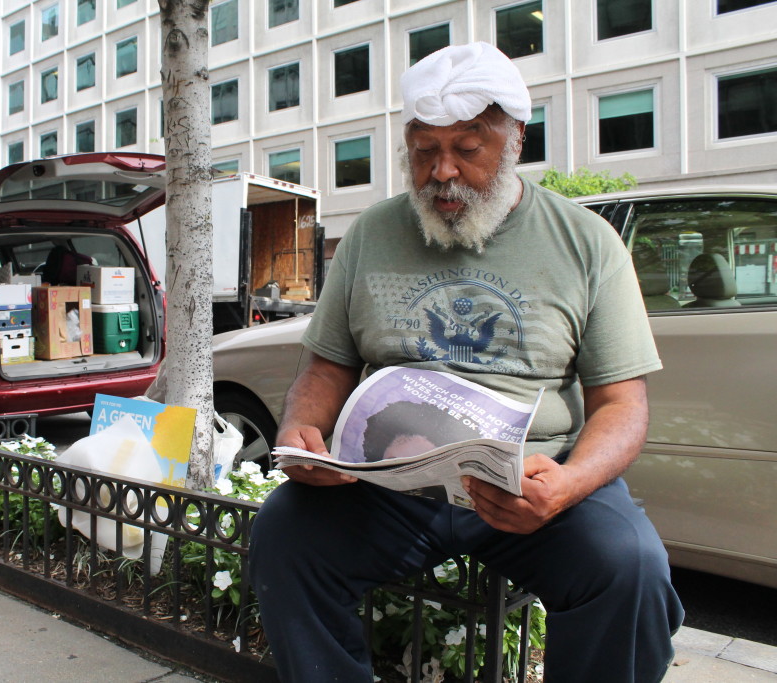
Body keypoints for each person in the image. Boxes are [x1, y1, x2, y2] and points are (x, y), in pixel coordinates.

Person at [248, 41, 684, 683]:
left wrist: (566, 487)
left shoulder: (587, 243)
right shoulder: (370, 234)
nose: (442, 172)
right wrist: (298, 433)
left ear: (515, 141)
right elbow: (325, 368)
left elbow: (623, 403)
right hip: (390, 483)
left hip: (534, 479)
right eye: (425, 151)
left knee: (630, 567)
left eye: (467, 149)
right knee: (285, 537)